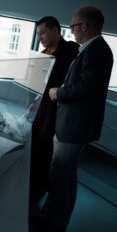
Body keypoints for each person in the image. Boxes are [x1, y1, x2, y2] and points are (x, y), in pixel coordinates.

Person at [44, 6, 113, 232]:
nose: (71, 31)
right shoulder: (91, 50)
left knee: (59, 174)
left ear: (84, 26)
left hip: (74, 127)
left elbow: (87, 87)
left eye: (73, 26)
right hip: (74, 125)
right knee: (67, 174)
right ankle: (60, 218)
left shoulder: (98, 51)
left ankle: (53, 224)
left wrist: (58, 93)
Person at [29, 16, 79, 218]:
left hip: (58, 116)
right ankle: (34, 194)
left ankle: (52, 210)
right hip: (40, 113)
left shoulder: (71, 52)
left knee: (53, 162)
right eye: (38, 34)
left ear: (55, 30)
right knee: (38, 152)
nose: (40, 37)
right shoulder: (43, 54)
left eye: (42, 33)